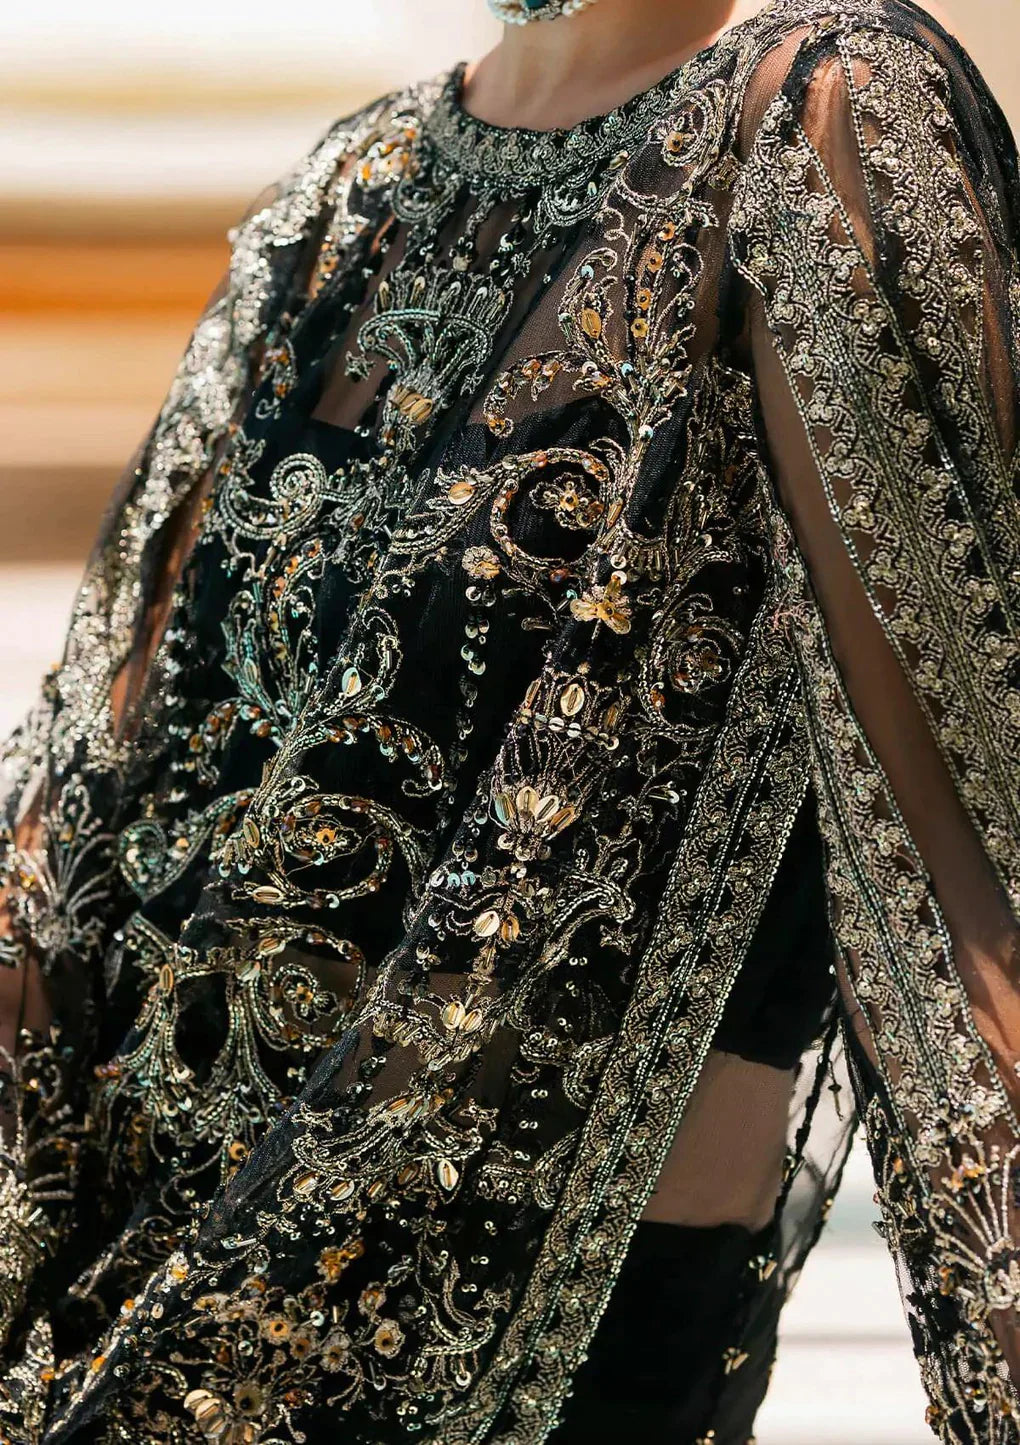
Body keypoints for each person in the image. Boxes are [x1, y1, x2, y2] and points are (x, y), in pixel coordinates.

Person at [1, 0, 1018, 1438]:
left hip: (503, 1360)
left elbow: (969, 889)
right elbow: (82, 840)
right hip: (110, 1307)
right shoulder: (352, 184)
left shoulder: (815, 119)